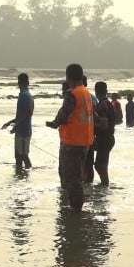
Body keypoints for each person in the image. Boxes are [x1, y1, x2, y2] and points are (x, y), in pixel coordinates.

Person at [47, 64, 94, 211]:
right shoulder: (86, 93)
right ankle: (76, 208)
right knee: (77, 178)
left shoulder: (72, 94)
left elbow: (63, 115)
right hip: (84, 141)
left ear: (68, 77)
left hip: (72, 142)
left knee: (72, 180)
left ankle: (76, 212)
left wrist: (54, 123)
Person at [2, 73, 34, 170]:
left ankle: (23, 174)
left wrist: (16, 125)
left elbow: (28, 113)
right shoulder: (27, 95)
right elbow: (22, 115)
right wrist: (9, 123)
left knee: (21, 156)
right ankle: (21, 175)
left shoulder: (24, 95)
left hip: (23, 131)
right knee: (21, 155)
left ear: (19, 82)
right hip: (25, 130)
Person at [94, 81, 115, 186]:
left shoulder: (102, 105)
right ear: (106, 91)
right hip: (109, 138)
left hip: (104, 138)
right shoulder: (108, 103)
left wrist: (92, 123)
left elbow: (104, 125)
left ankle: (105, 185)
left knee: (99, 165)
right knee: (101, 164)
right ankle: (104, 184)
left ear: (95, 91)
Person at [82, 75, 98, 184]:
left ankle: (86, 184)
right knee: (89, 163)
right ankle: (89, 184)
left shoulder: (76, 97)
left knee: (83, 163)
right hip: (90, 135)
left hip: (82, 136)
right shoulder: (93, 98)